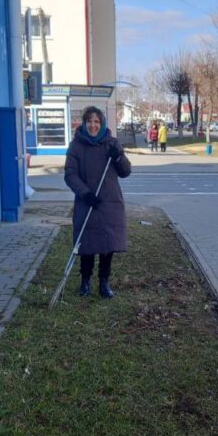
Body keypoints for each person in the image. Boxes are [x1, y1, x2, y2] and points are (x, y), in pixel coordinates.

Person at [64, 106, 131, 298]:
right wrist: (85, 194)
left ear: (101, 124)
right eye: (89, 121)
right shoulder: (76, 146)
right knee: (87, 243)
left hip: (109, 203)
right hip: (87, 202)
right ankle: (85, 281)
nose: (93, 125)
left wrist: (118, 156)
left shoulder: (111, 143)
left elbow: (126, 171)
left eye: (96, 122)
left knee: (107, 245)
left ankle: (104, 282)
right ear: (84, 123)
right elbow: (70, 174)